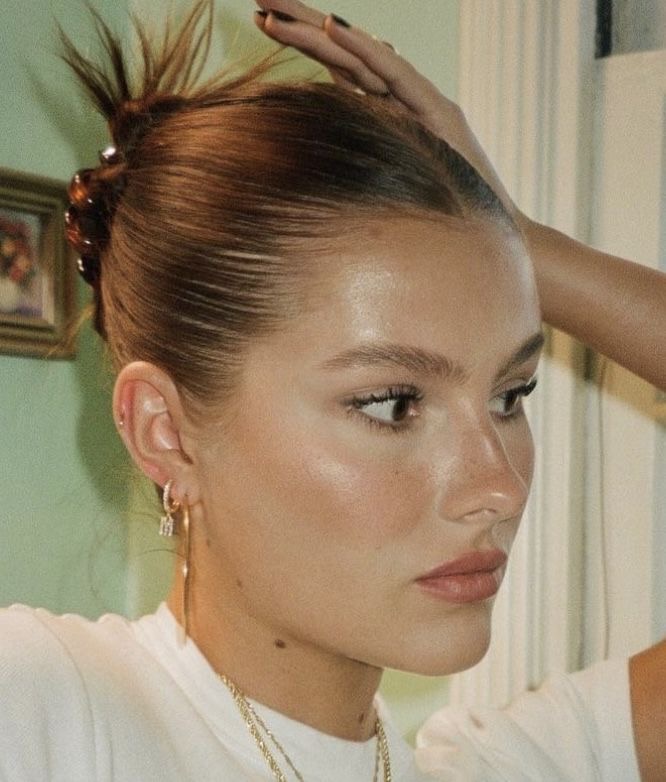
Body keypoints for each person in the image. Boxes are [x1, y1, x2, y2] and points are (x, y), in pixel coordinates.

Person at [0, 1, 664, 780]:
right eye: (393, 404)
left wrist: (518, 242)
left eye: (510, 395)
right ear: (165, 432)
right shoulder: (45, 709)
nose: (499, 487)